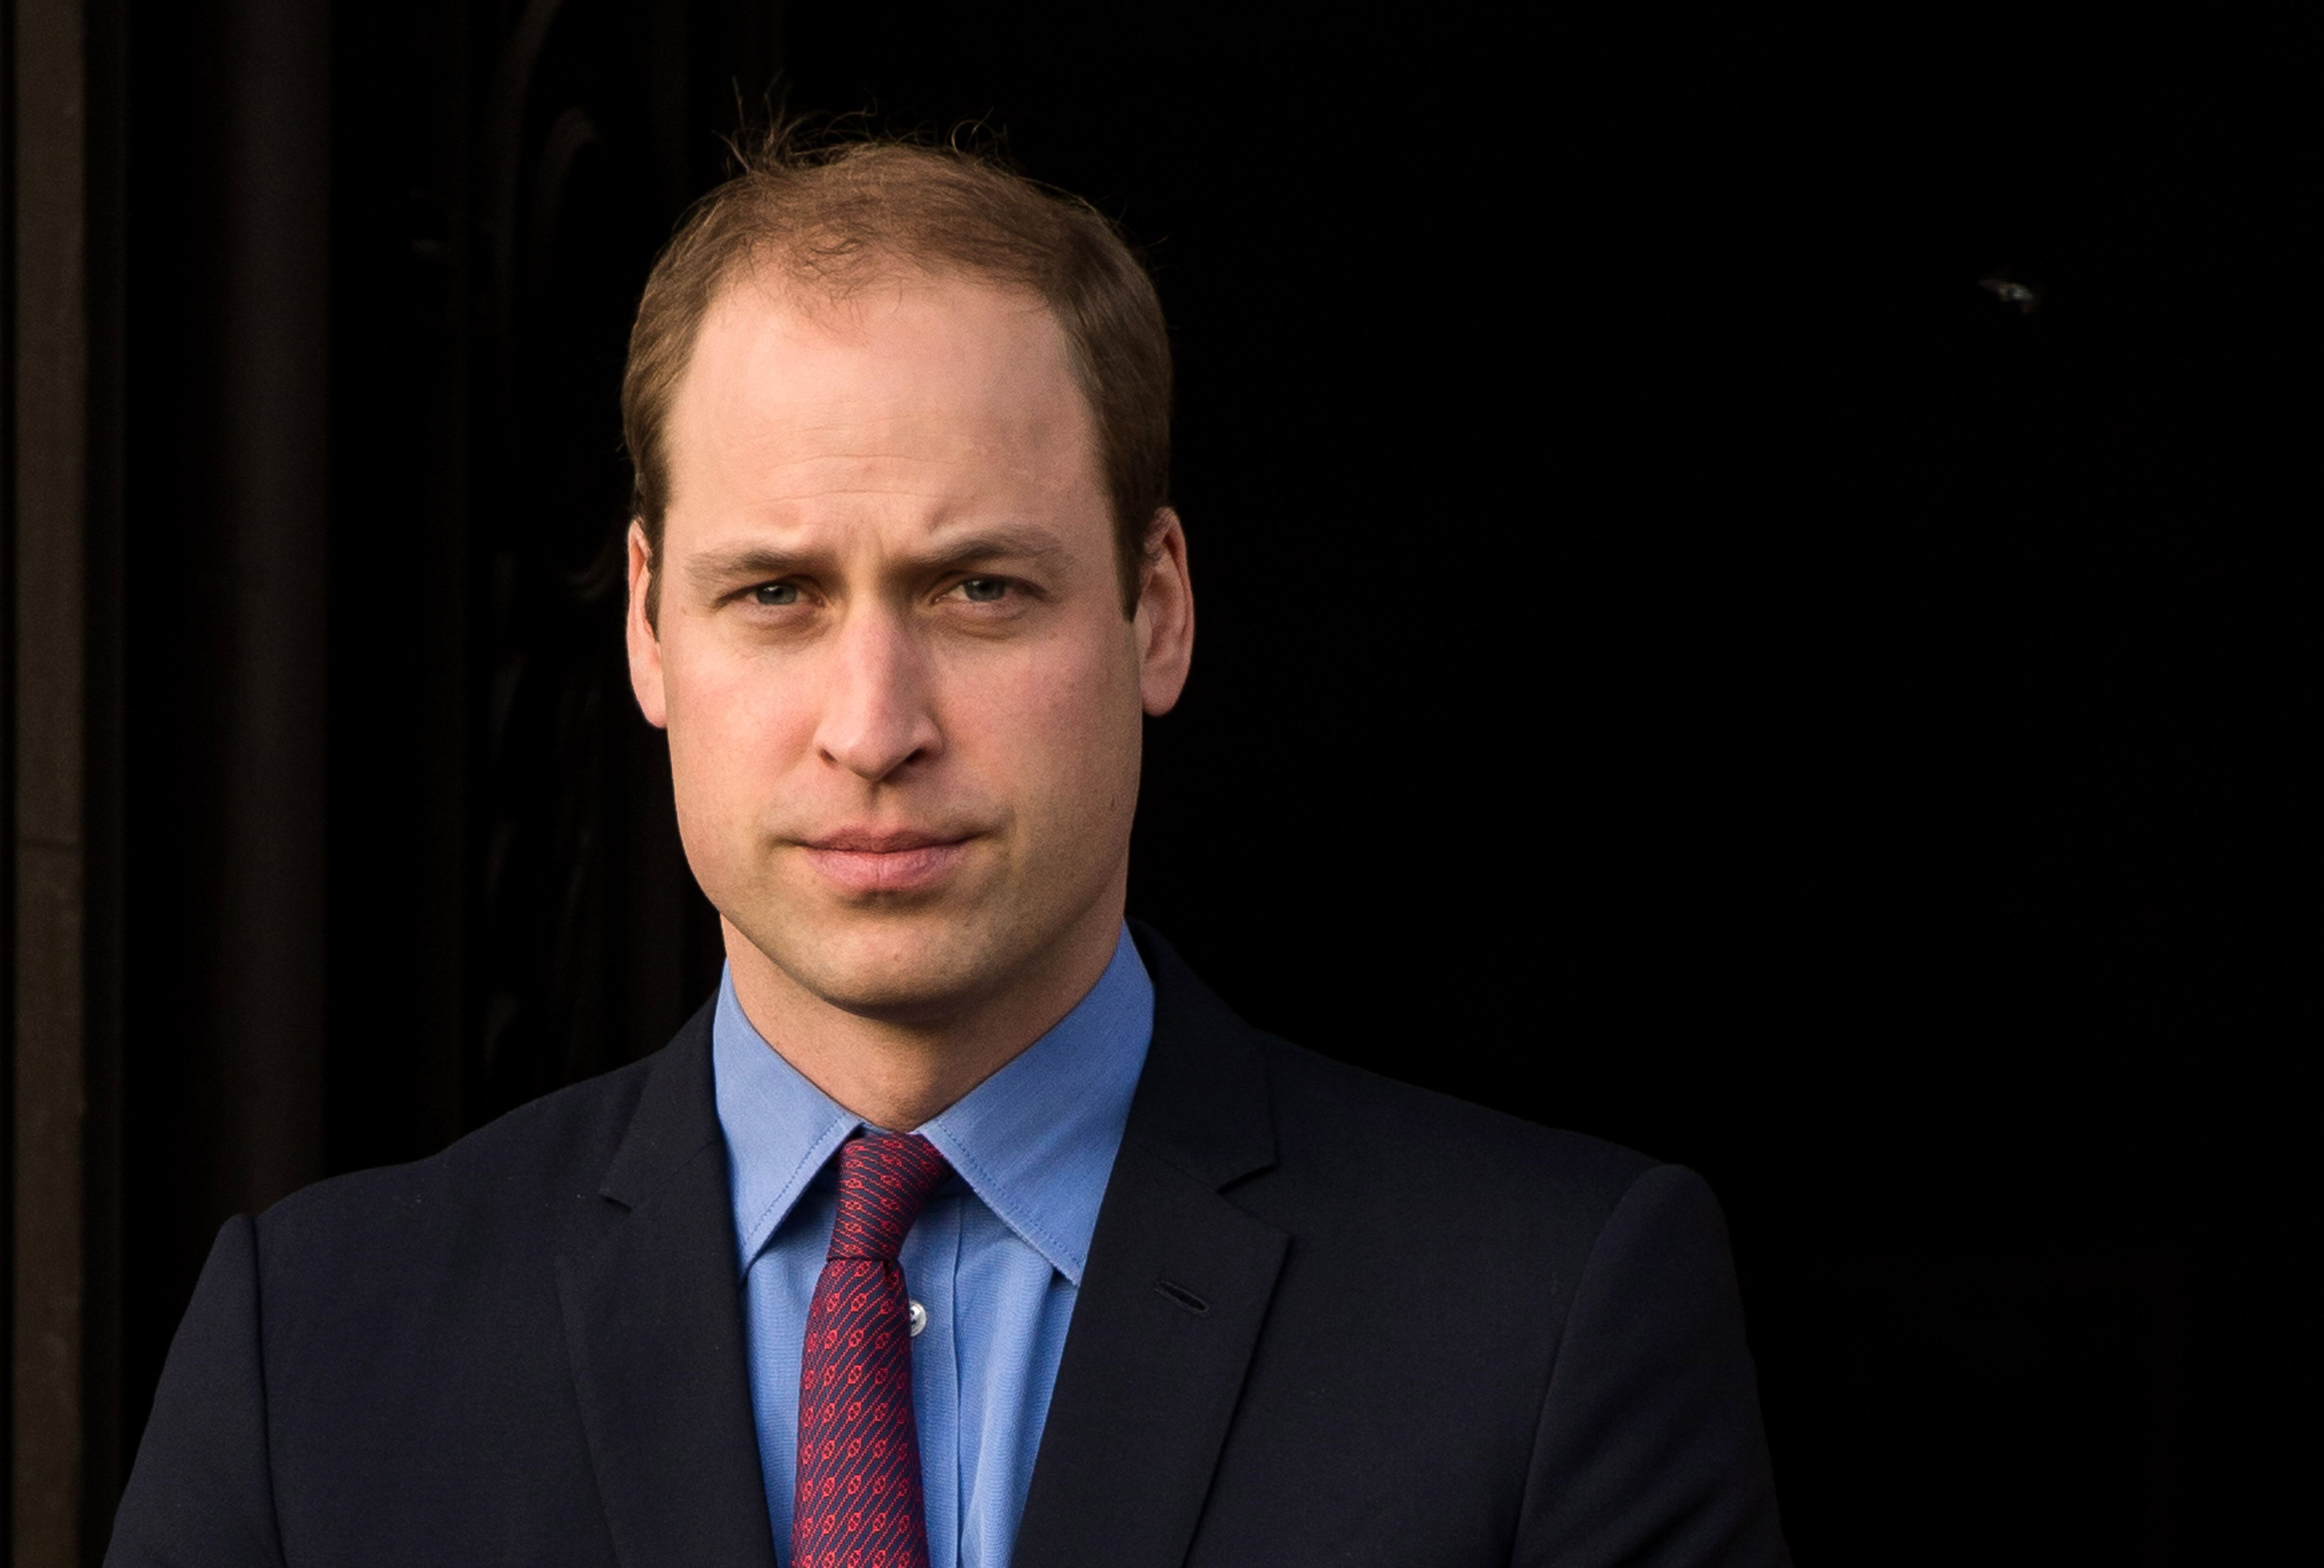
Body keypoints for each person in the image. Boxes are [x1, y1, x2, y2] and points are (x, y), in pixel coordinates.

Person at [106, 132, 1788, 1567]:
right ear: (645, 630)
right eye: (776, 594)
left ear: (1158, 611)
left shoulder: (1551, 1319)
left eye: (980, 589)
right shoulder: (310, 1351)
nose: (874, 721)